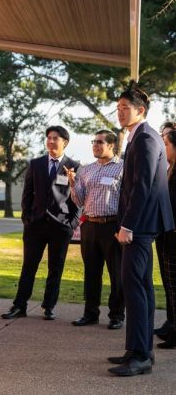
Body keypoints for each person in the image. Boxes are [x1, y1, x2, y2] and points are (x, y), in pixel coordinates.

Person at [107, 88, 174, 377]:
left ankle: (141, 356)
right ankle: (138, 350)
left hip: (140, 226)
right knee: (142, 288)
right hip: (143, 225)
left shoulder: (146, 138)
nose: (120, 111)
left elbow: (143, 186)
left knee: (134, 289)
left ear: (140, 110)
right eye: (118, 107)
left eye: (125, 107)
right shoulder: (137, 137)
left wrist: (127, 226)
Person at [1, 126, 81, 321]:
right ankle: (19, 306)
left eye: (55, 138)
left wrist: (72, 223)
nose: (51, 141)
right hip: (35, 225)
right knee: (28, 267)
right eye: (49, 138)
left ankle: (49, 306)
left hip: (61, 227)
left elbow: (78, 198)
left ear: (65, 142)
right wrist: (27, 218)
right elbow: (27, 194)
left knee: (56, 268)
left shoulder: (75, 166)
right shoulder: (35, 164)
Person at [67, 130, 124, 329]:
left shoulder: (122, 168)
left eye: (99, 142)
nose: (95, 145)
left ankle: (116, 315)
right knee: (91, 272)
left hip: (112, 226)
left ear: (111, 145)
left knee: (116, 273)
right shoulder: (86, 170)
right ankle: (90, 313)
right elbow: (80, 200)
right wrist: (73, 184)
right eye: (94, 142)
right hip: (89, 225)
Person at [155, 130, 176, 348]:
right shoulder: (168, 170)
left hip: (173, 236)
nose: (163, 149)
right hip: (166, 235)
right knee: (170, 286)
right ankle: (172, 326)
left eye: (166, 144)